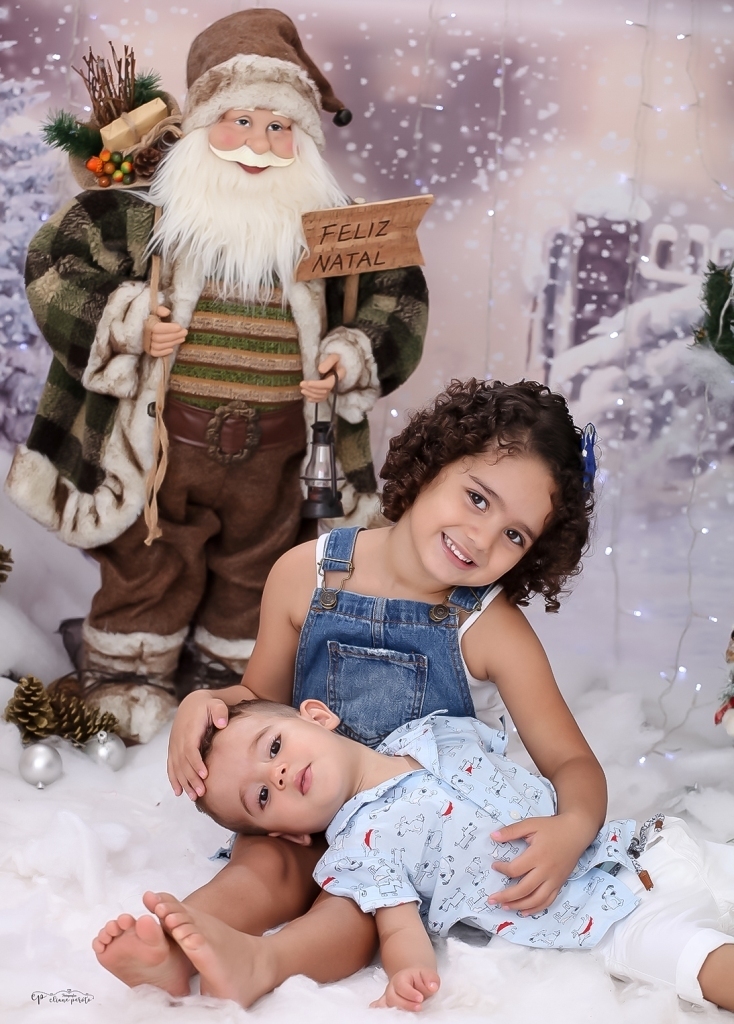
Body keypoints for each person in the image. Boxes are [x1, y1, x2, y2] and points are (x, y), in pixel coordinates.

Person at [93, 378, 616, 1005]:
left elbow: (571, 761)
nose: (482, 538)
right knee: (264, 863)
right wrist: (202, 705)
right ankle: (174, 948)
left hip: (403, 843)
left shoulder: (492, 628)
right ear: (431, 465)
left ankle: (263, 962)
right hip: (298, 804)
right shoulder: (305, 574)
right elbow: (259, 697)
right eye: (478, 498)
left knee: (360, 908)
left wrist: (574, 825)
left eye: (515, 535)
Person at [5, 8, 428, 742]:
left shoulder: (340, 231)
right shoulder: (141, 219)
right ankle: (130, 673)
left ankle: (234, 678)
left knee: (259, 570)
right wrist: (127, 320)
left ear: (304, 142)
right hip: (162, 449)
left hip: (279, 453)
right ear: (201, 129)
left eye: (278, 127)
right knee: (148, 560)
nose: (259, 144)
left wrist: (354, 349)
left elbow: (400, 297)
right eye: (240, 122)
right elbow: (54, 264)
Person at [139, 698, 734, 1012]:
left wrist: (571, 825)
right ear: (289, 836)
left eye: (274, 747)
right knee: (705, 965)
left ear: (316, 716)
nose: (278, 773)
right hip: (605, 921)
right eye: (263, 796)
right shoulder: (359, 850)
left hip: (648, 844)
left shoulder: (432, 732)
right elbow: (399, 926)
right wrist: (407, 974)